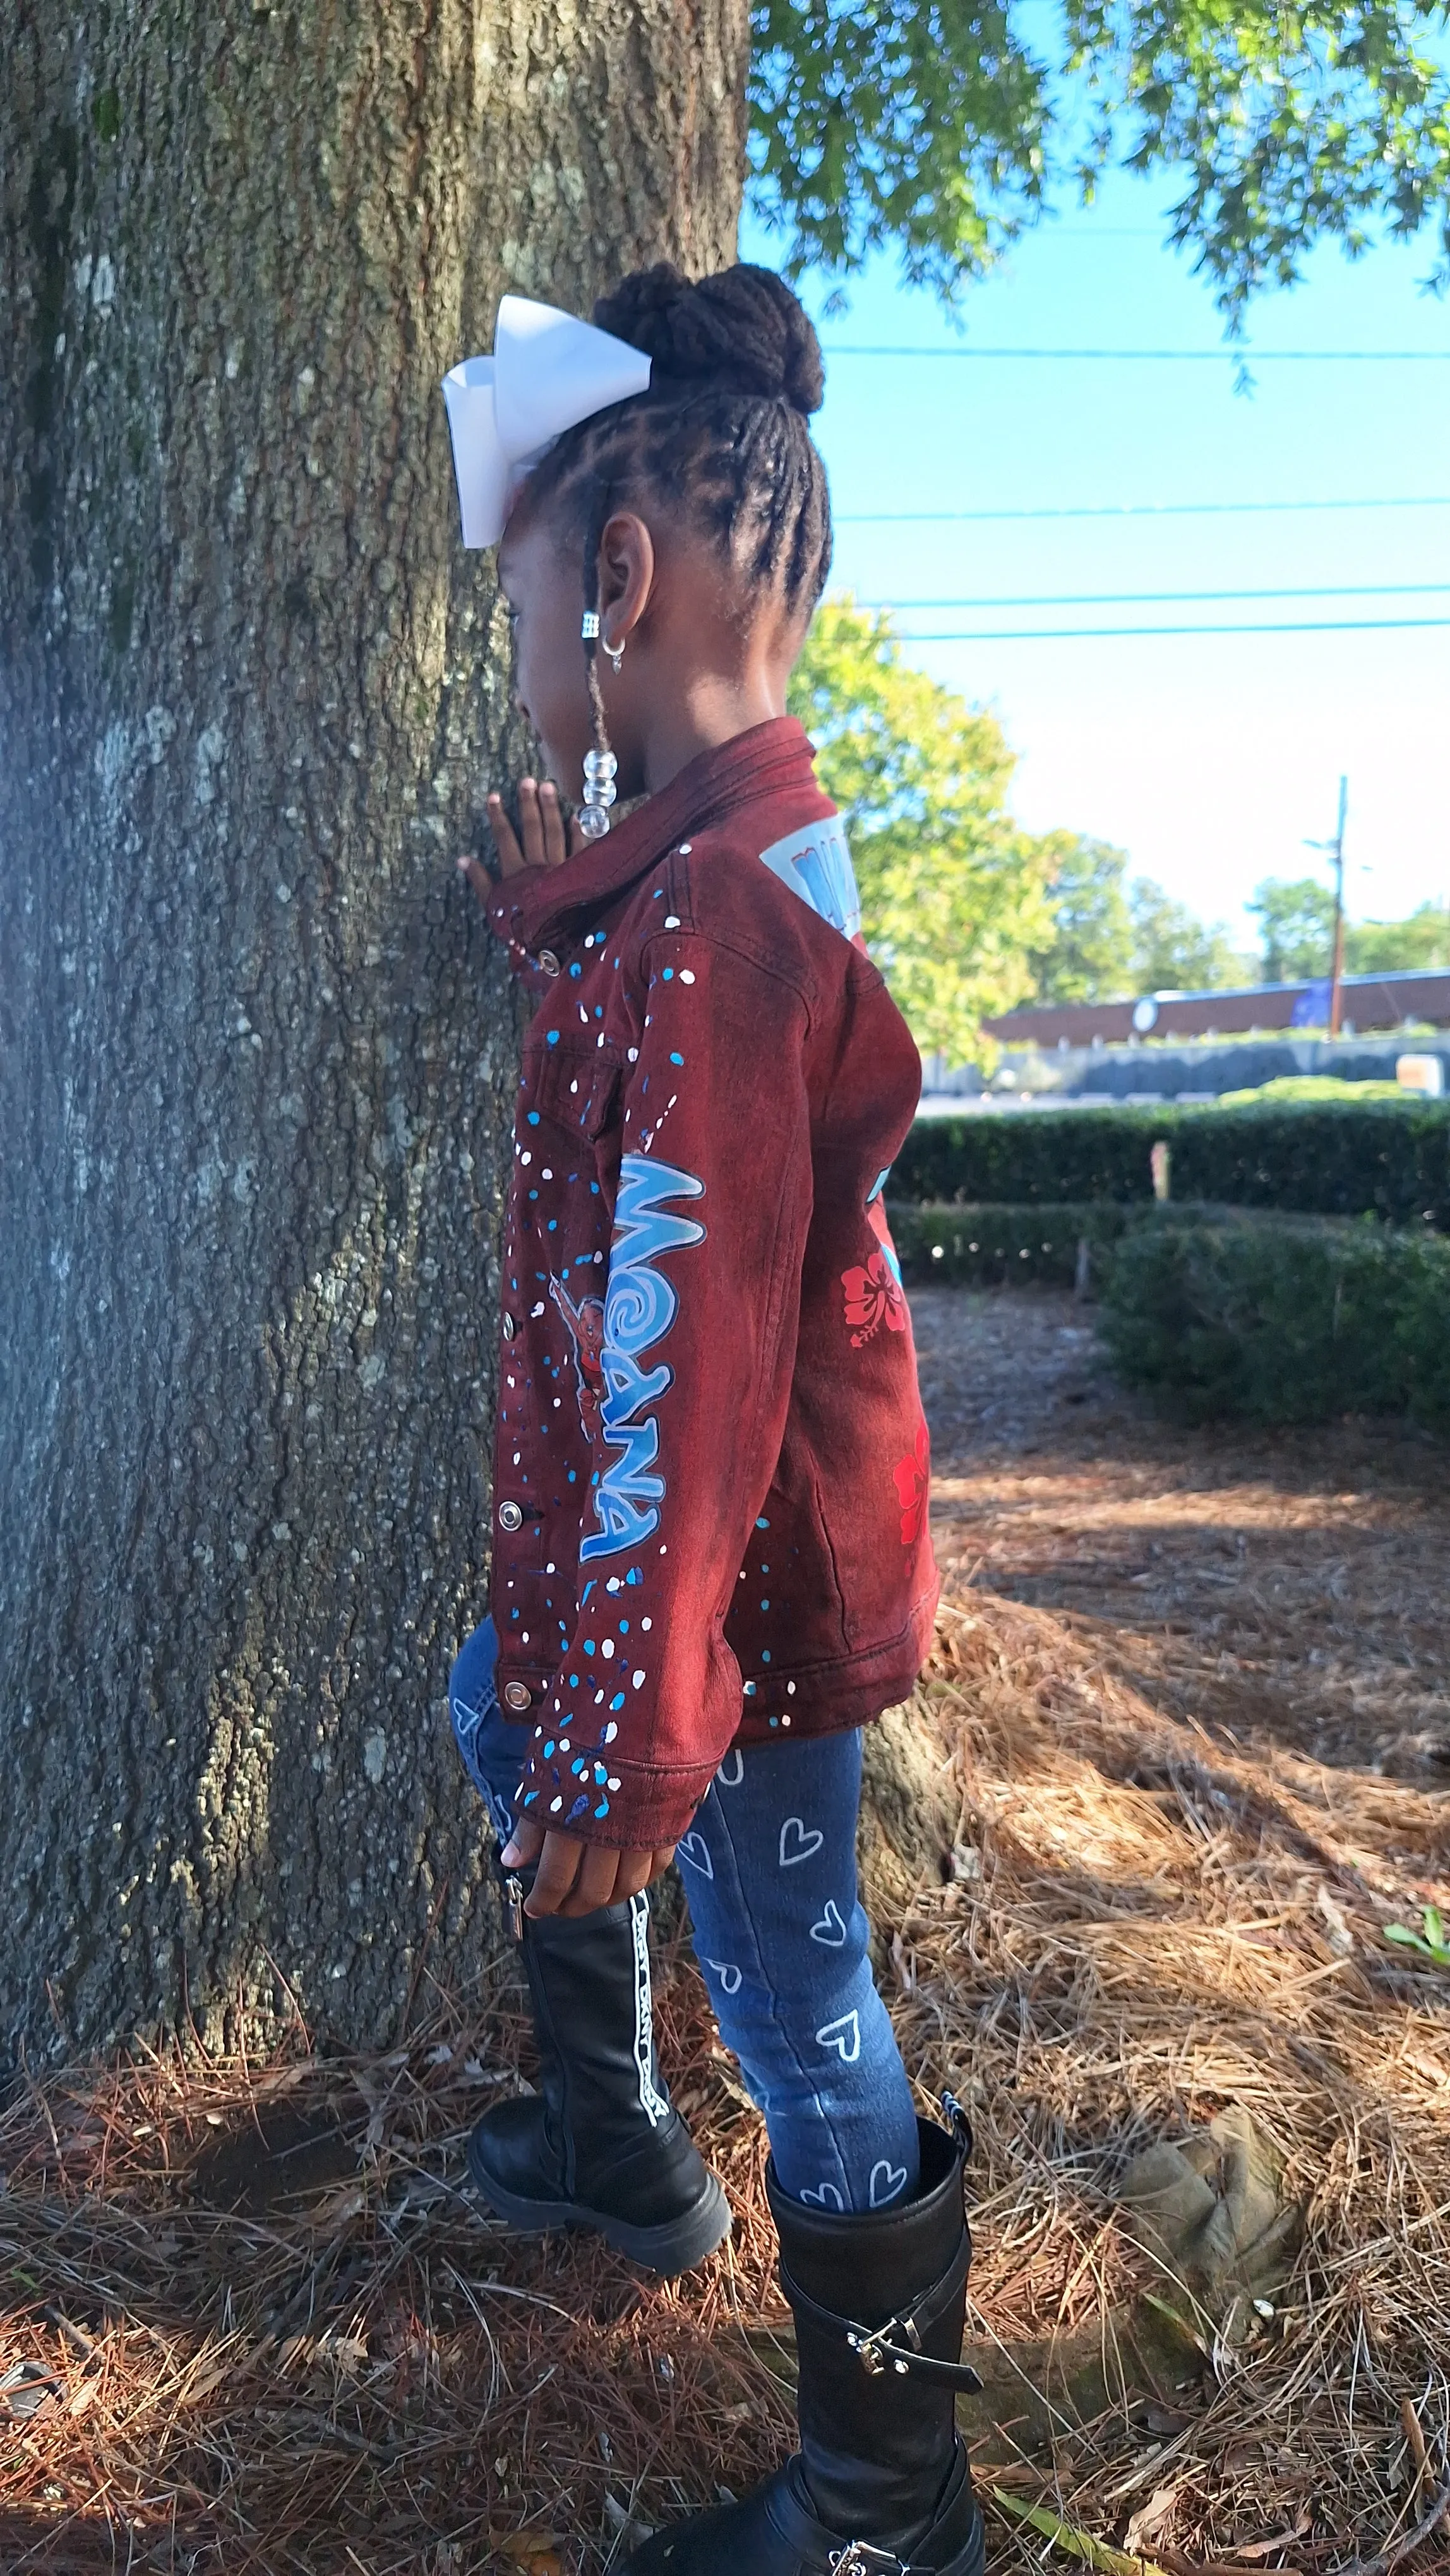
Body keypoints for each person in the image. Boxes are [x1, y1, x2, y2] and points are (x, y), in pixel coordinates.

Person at [444, 261, 984, 2576]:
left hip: (746, 1605)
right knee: (492, 1696)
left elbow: (692, 1363)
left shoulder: (722, 927)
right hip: (718, 1589)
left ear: (628, 581)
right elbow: (669, 1059)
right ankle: (612, 2139)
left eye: (544, 602)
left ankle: (891, 2507)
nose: (535, 651)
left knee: (804, 2002)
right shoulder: (714, 872)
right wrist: (547, 897)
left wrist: (631, 1745)